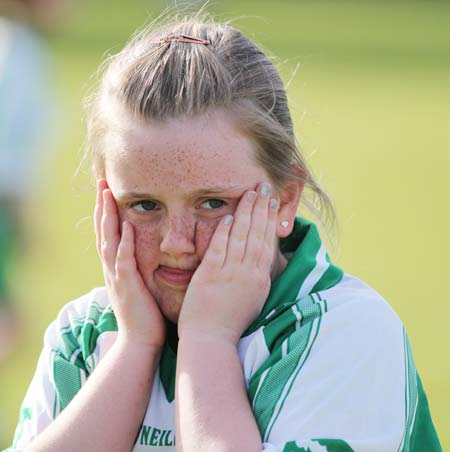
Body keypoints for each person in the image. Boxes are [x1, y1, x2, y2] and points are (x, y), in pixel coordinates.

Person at [5, 14, 441, 452]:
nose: (176, 242)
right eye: (144, 205)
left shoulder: (349, 334)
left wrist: (207, 342)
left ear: (286, 199)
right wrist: (134, 348)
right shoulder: (82, 339)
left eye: (213, 203)